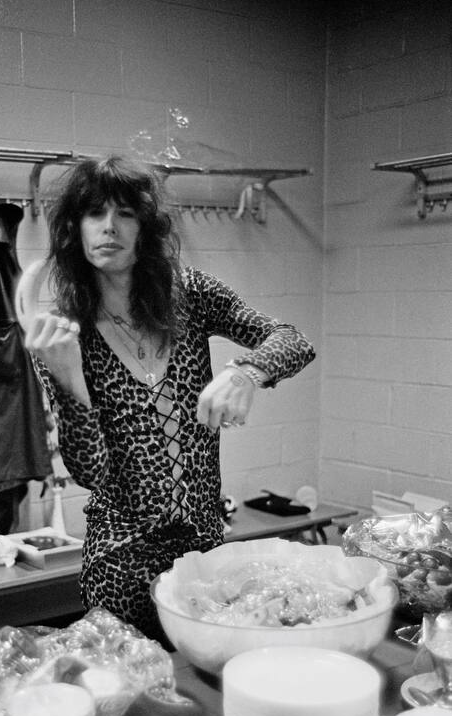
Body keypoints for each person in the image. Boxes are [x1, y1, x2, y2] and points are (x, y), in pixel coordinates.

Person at [18, 155, 315, 642]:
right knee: (135, 703)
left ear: (146, 227)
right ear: (76, 227)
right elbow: (91, 473)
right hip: (121, 562)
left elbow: (292, 338)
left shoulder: (191, 295)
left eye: (125, 214)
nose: (109, 227)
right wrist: (70, 377)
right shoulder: (65, 334)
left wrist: (246, 373)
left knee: (206, 688)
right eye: (95, 213)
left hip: (201, 555)